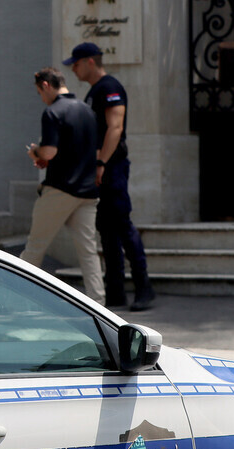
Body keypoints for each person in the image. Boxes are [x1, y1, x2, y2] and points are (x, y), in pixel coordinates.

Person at [65, 42, 155, 311]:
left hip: (111, 167)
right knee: (106, 229)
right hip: (99, 168)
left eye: (76, 64)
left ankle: (144, 287)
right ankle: (115, 291)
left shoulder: (110, 87)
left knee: (123, 225)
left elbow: (115, 128)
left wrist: (101, 162)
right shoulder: (95, 91)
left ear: (90, 62)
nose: (74, 69)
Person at [21, 68, 105, 305]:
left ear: (46, 85)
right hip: (87, 192)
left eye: (39, 93)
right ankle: (99, 301)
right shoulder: (88, 111)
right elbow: (92, 151)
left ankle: (14, 298)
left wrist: (35, 152)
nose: (41, 98)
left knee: (35, 247)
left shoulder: (53, 112)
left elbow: (49, 151)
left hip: (60, 190)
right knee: (88, 252)